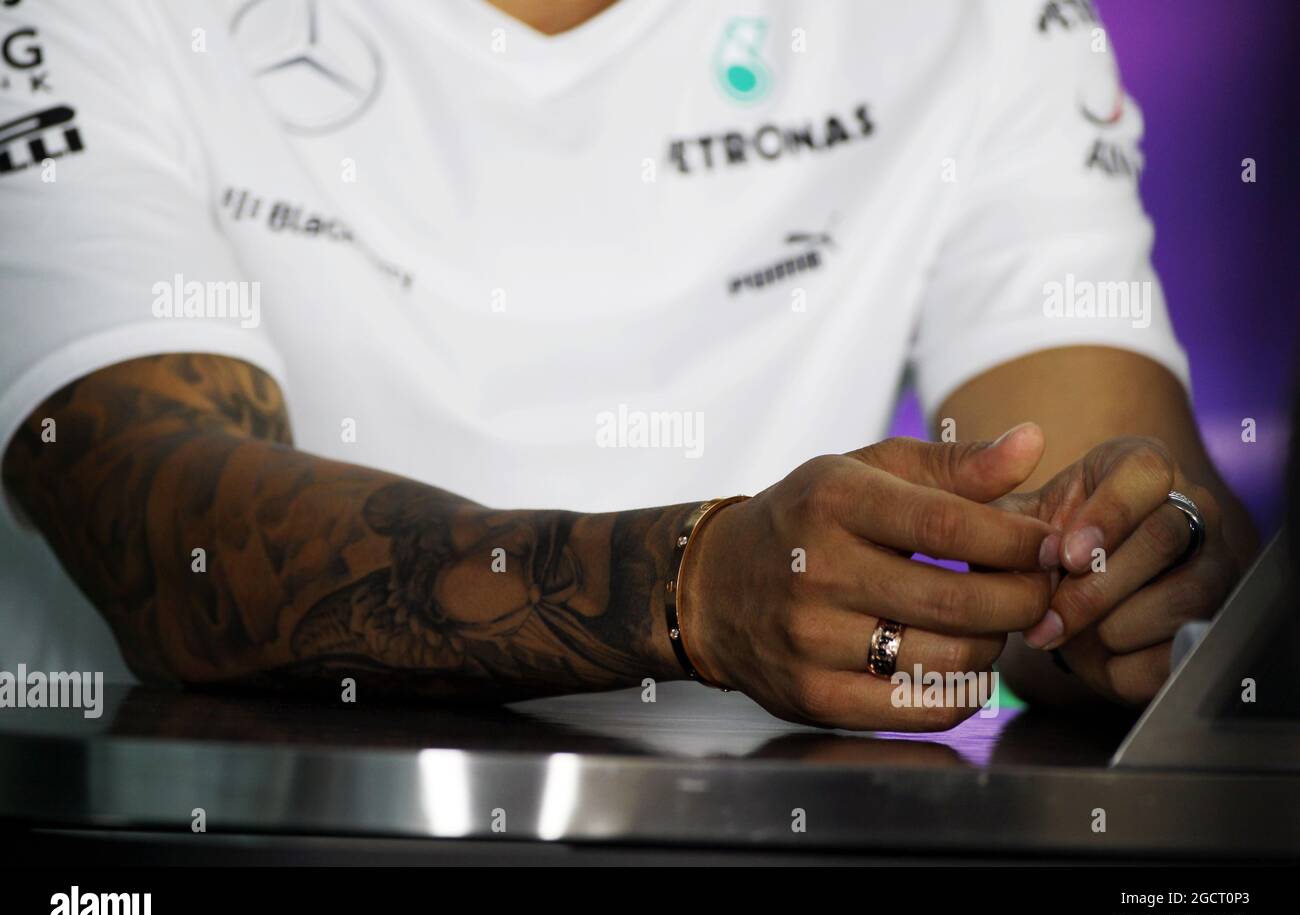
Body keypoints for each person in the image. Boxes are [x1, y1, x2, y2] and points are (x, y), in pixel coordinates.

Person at [0, 0, 1257, 729]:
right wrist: (696, 584)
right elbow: (154, 522)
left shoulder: (968, 20)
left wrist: (1121, 586)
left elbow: (1113, 488)